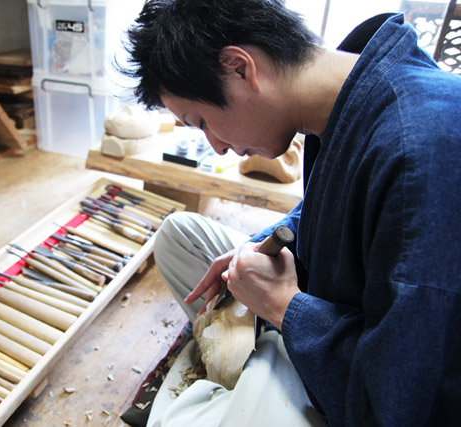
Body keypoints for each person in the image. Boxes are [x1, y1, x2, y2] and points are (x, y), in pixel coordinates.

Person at [120, 0, 461, 425]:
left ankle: (248, 372)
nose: (217, 147)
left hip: (366, 382)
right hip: (330, 308)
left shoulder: (421, 149)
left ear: (239, 68)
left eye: (202, 121)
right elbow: (328, 205)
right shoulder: (348, 97)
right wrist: (264, 243)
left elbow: (398, 404)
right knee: (178, 235)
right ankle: (246, 361)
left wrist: (286, 308)